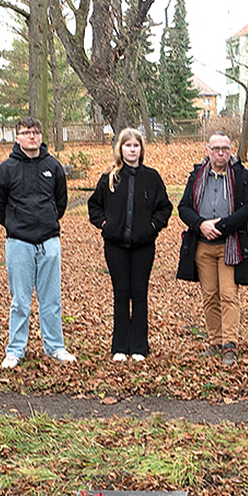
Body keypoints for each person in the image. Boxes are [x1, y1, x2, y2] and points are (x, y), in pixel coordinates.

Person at [0, 116, 77, 368]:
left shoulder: (53, 166)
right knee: (20, 300)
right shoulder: (6, 169)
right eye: (27, 132)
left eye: (36, 132)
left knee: (51, 299)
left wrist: (47, 222)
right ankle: (15, 350)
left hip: (49, 241)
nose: (32, 136)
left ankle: (55, 347)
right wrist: (14, 224)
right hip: (19, 242)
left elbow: (61, 201)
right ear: (17, 137)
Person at [87, 128, 172, 361]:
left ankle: (139, 347)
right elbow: (94, 206)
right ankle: (120, 346)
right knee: (121, 293)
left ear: (141, 149)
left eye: (136, 146)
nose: (132, 149)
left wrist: (153, 226)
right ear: (120, 149)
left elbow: (165, 207)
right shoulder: (110, 177)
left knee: (140, 293)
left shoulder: (151, 178)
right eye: (128, 146)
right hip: (115, 245)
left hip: (143, 245)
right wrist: (106, 225)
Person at [176, 131, 248, 365]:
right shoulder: (197, 176)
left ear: (230, 151)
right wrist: (200, 224)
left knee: (229, 295)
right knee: (210, 296)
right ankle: (215, 342)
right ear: (207, 150)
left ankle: (230, 345)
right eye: (216, 149)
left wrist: (220, 226)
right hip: (202, 246)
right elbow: (184, 207)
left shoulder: (242, 176)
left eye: (225, 149)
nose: (220, 153)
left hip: (230, 246)